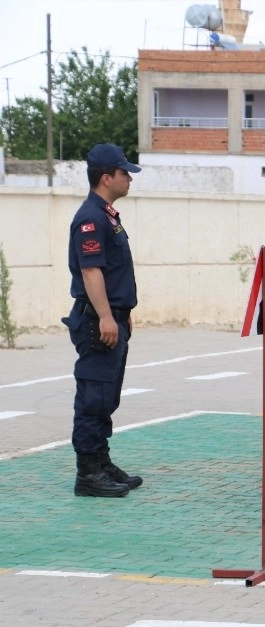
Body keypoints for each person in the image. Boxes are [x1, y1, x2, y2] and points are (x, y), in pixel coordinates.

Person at [62, 144, 144, 498]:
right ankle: (88, 473)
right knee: (93, 398)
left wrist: (123, 315)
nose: (129, 178)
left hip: (111, 320)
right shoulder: (91, 218)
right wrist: (108, 316)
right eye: (124, 172)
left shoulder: (107, 215)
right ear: (106, 178)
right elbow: (91, 271)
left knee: (106, 397)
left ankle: (101, 460)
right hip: (97, 322)